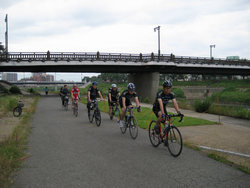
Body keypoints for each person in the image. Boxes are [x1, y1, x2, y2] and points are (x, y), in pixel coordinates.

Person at [152, 80, 183, 145]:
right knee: (161, 116)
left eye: (169, 88)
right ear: (163, 88)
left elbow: (174, 103)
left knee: (166, 125)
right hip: (157, 108)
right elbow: (160, 103)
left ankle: (165, 138)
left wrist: (178, 112)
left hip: (163, 108)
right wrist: (163, 113)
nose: (168, 89)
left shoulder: (171, 94)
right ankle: (157, 125)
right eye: (167, 88)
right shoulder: (159, 93)